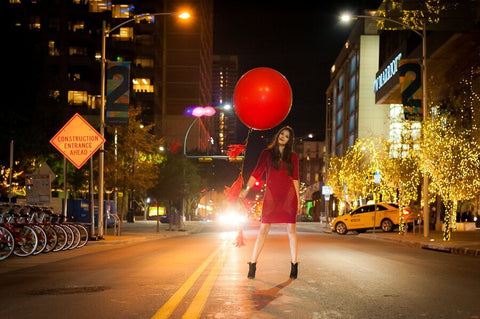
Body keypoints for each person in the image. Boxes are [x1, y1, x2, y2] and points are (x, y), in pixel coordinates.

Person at [239, 126, 300, 279]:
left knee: (291, 231)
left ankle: (294, 264)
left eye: (287, 136)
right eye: (282, 134)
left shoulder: (292, 156)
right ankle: (252, 264)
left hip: (288, 198)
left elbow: (296, 179)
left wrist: (298, 200)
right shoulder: (266, 154)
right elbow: (256, 173)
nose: (283, 137)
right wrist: (246, 189)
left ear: (289, 140)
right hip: (271, 197)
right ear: (277, 135)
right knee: (263, 230)